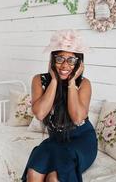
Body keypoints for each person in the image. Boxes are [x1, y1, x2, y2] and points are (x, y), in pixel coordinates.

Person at [21, 29, 97, 182]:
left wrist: (71, 83)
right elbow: (40, 113)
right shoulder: (39, 80)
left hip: (81, 141)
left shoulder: (83, 84)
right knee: (33, 173)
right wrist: (54, 81)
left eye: (71, 60)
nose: (65, 65)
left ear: (79, 63)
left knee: (55, 178)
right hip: (56, 141)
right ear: (52, 60)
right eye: (60, 59)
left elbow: (77, 118)